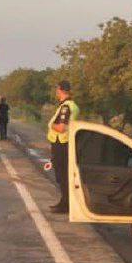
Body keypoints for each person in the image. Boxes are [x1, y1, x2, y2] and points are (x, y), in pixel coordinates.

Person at [47, 81, 79, 214]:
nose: (56, 91)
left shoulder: (66, 107)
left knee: (63, 176)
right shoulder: (71, 106)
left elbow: (61, 128)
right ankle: (65, 202)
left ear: (60, 90)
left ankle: (65, 204)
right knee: (64, 175)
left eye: (57, 89)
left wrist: (51, 125)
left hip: (61, 143)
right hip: (64, 143)